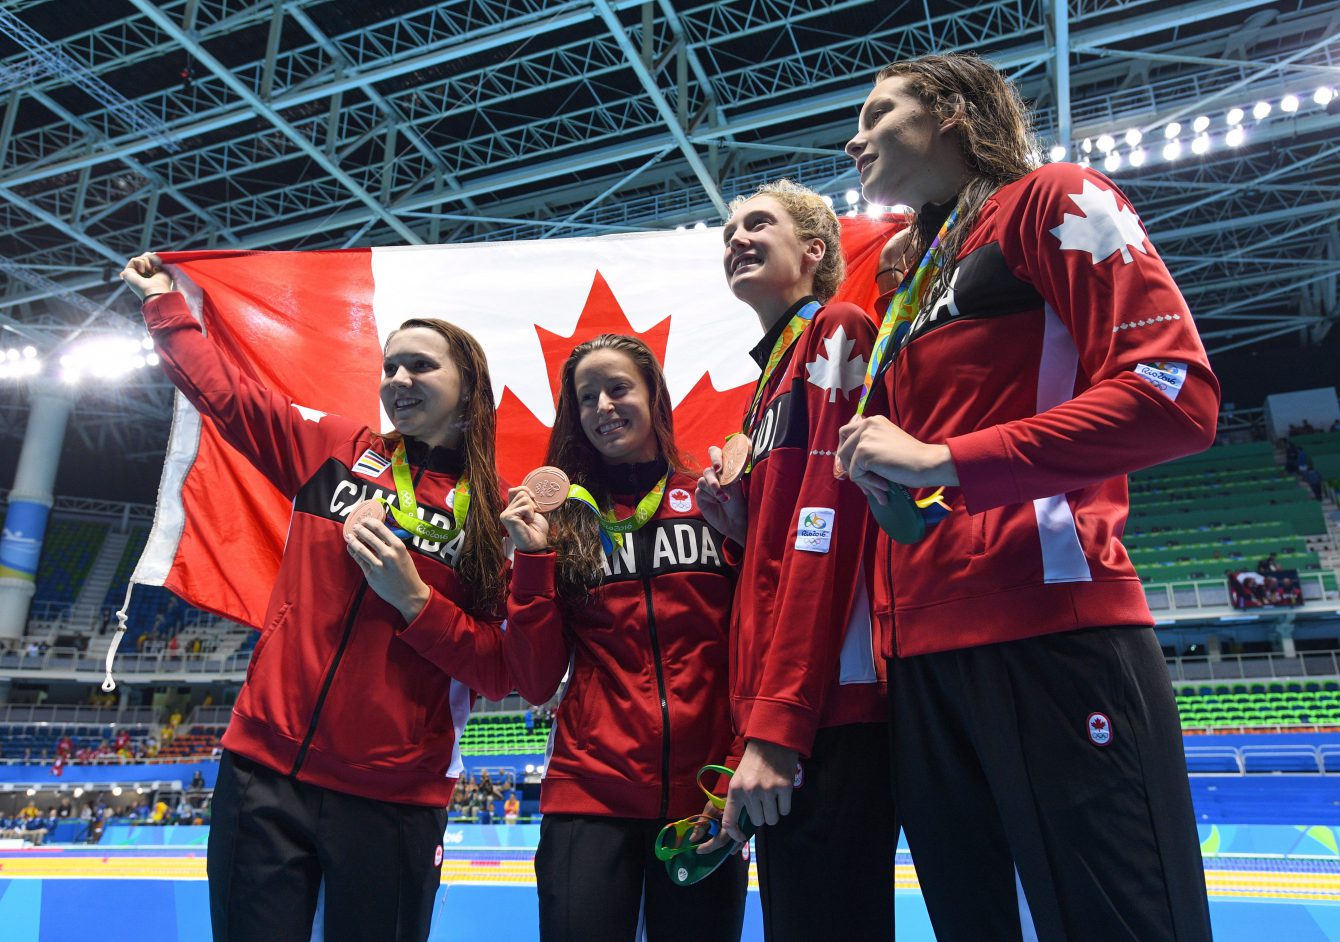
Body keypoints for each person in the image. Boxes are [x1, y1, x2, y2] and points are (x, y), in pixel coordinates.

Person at [839, 53, 1217, 940]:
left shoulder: (1054, 198)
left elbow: (1175, 393)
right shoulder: (918, 274)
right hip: (920, 659)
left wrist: (945, 459)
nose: (853, 136)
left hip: (1048, 626)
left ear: (953, 115)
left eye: (877, 109)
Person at [120, 253, 512, 942]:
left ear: (472, 388)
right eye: (390, 366)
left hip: (394, 797)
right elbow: (227, 397)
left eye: (420, 366)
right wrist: (164, 304)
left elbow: (502, 670)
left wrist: (418, 603)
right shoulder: (333, 451)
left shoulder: (494, 517)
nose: (397, 379)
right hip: (264, 773)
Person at [695, 180, 894, 940]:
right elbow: (782, 548)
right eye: (728, 232)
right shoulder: (770, 379)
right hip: (788, 704)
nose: (735, 239)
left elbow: (833, 524)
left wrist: (778, 726)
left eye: (757, 224)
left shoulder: (836, 330)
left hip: (826, 708)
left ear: (815, 251)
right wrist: (741, 523)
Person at [500, 334, 747, 941]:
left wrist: (735, 769)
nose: (603, 406)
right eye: (587, 398)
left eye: (618, 388)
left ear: (654, 397)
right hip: (588, 793)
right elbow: (534, 682)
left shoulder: (712, 501)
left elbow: (756, 643)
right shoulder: (563, 523)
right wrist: (531, 564)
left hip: (705, 797)